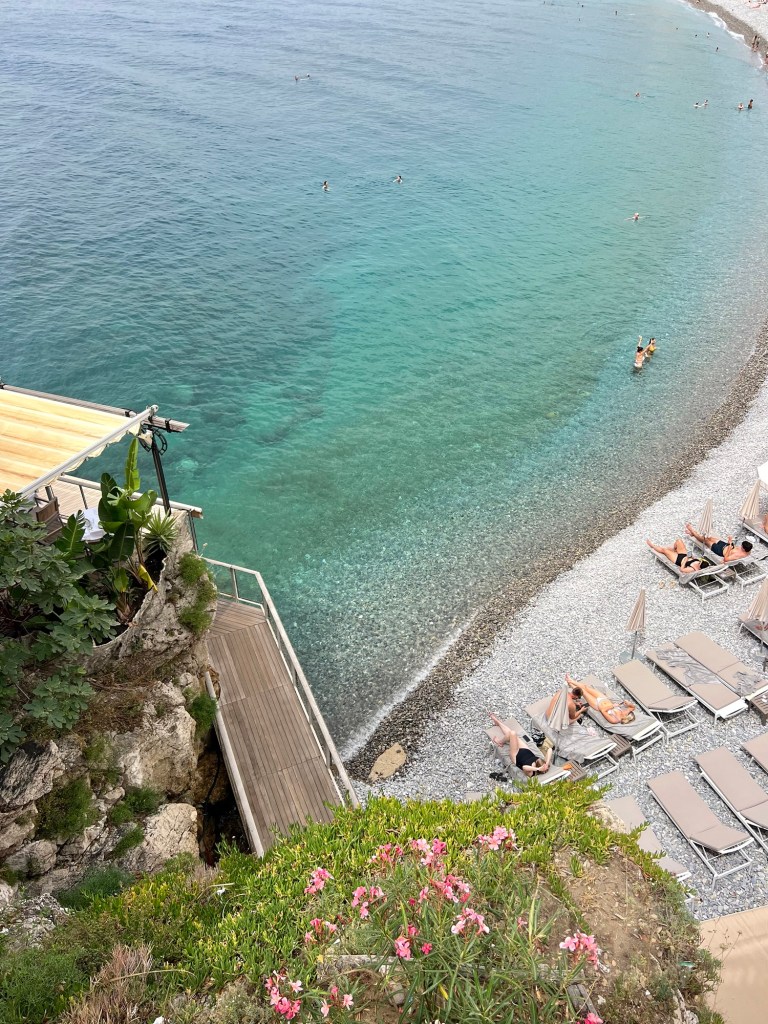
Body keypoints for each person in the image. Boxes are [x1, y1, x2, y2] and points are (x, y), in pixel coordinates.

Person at [565, 675, 636, 725]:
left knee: (583, 691)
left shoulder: (615, 720)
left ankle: (570, 684)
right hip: (604, 699)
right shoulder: (626, 712)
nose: (625, 710)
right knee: (587, 687)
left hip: (597, 704)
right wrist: (628, 703)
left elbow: (603, 711)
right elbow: (632, 707)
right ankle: (570, 680)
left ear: (625, 717)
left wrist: (613, 706)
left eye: (626, 713)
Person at [684, 523, 753, 561]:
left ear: (743, 549)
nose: (740, 546)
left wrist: (729, 547)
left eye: (741, 547)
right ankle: (693, 534)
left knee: (705, 540)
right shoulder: (748, 550)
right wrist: (730, 543)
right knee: (709, 537)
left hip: (719, 550)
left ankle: (692, 530)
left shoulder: (738, 555)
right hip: (726, 545)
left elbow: (726, 559)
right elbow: (734, 548)